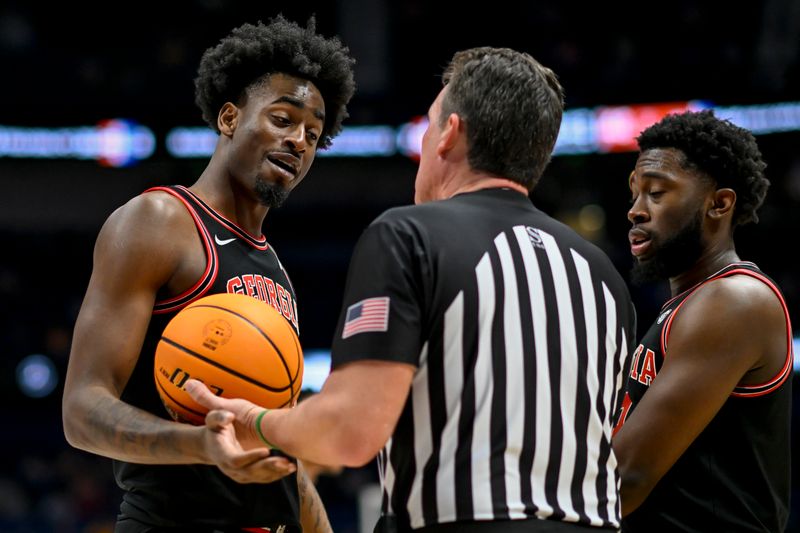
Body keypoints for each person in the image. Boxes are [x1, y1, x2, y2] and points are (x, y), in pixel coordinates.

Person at [187, 46, 637, 532]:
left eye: (428, 125)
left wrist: (255, 421)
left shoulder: (409, 235)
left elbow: (349, 432)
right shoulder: (604, 275)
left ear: (449, 134)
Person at [62, 15, 355, 532]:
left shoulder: (275, 269)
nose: (299, 142)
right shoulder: (159, 221)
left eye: (313, 134)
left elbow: (273, 448)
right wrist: (201, 445)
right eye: (283, 119)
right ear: (227, 118)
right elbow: (82, 411)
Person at [612, 110, 793, 532]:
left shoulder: (734, 300)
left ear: (720, 203)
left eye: (656, 193)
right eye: (635, 193)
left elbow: (627, 478)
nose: (636, 211)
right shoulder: (691, 302)